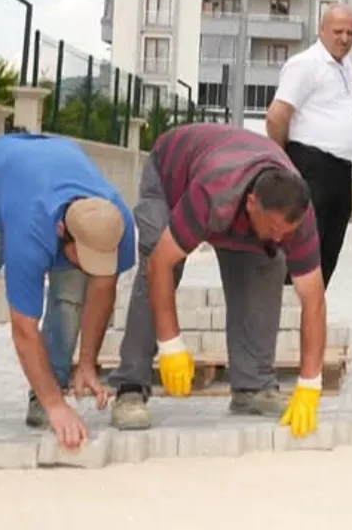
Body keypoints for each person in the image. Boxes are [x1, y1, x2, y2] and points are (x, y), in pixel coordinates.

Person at [109, 124, 328, 439]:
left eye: (287, 231)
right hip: (172, 178)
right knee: (157, 256)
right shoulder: (214, 193)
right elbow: (161, 262)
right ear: (252, 203)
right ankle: (130, 387)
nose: (281, 237)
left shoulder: (297, 214)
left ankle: (253, 387)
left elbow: (314, 300)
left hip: (233, 189)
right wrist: (171, 345)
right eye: (274, 228)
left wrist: (310, 384)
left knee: (268, 263)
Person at [0, 133, 135, 449]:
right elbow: (24, 328)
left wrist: (87, 363)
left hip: (52, 164)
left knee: (69, 299)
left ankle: (46, 393)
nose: (90, 268)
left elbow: (103, 287)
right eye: (84, 258)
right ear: (62, 232)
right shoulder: (32, 231)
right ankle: (52, 402)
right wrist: (59, 407)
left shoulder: (113, 222)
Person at [266, 3, 352, 287]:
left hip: (340, 170)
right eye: (338, 31)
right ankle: (287, 307)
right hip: (311, 165)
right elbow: (277, 115)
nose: (344, 38)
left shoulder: (347, 68)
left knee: (328, 250)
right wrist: (284, 162)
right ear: (322, 29)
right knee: (302, 248)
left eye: (350, 33)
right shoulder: (306, 64)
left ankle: (312, 308)